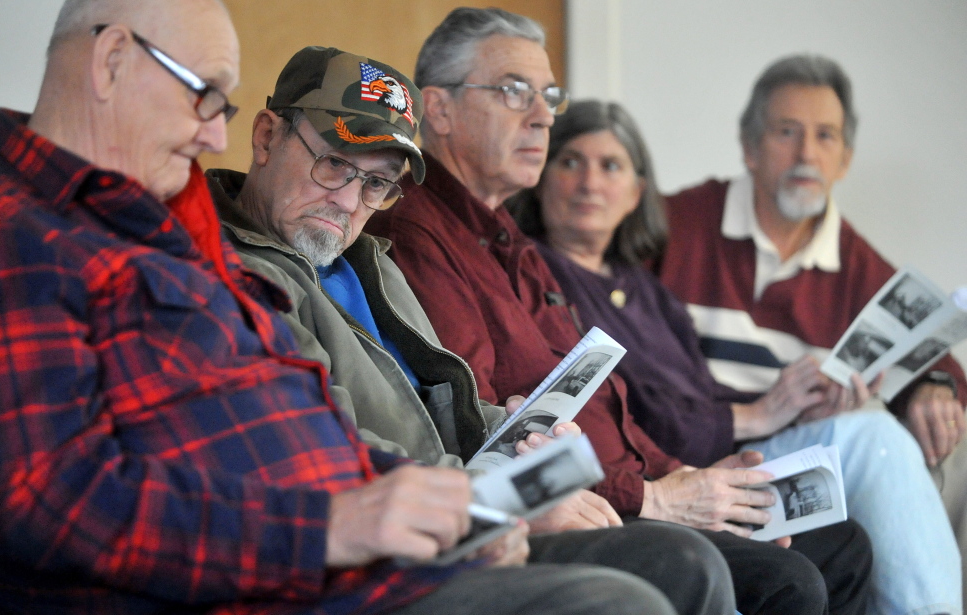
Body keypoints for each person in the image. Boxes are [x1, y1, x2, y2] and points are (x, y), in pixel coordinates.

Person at [0, 1, 682, 613]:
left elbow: (302, 423)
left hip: (368, 545)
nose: (214, 135)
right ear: (112, 60)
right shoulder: (16, 225)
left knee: (672, 567)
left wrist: (473, 497)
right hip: (302, 569)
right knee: (631, 594)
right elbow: (39, 498)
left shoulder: (158, 228)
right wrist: (338, 524)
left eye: (377, 184)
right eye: (205, 95)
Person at [365, 7, 873, 615]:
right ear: (439, 109)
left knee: (841, 543)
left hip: (628, 484)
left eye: (549, 96)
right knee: (784, 579)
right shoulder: (416, 232)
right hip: (579, 505)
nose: (542, 116)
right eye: (514, 91)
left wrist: (689, 476)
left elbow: (611, 405)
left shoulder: (509, 240)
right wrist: (656, 496)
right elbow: (483, 427)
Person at [207, 44, 737, 615]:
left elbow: (442, 400)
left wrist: (518, 435)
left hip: (463, 512)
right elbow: (326, 445)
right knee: (666, 573)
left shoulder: (369, 259)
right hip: (395, 545)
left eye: (377, 184)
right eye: (335, 164)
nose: (348, 201)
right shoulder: (229, 273)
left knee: (688, 561)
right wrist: (502, 501)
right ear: (266, 137)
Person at [509, 98, 962, 615]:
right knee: (875, 440)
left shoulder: (643, 287)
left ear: (636, 193)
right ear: (540, 179)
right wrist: (758, 415)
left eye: (610, 166)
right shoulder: (538, 273)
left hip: (710, 456)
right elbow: (636, 412)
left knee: (846, 540)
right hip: (662, 474)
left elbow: (700, 392)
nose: (589, 183)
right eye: (570, 162)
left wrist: (793, 407)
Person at [655, 55, 965, 613]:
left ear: (845, 159)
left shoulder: (855, 261)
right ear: (749, 147)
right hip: (693, 460)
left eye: (826, 136)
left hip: (777, 463)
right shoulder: (677, 223)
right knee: (875, 440)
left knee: (896, 437)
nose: (807, 154)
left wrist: (931, 385)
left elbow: (932, 354)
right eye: (786, 132)